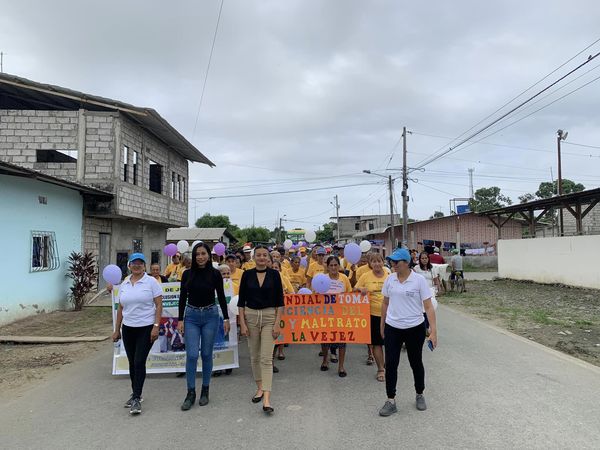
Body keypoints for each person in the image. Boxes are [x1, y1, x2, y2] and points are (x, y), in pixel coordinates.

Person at [378, 248, 437, 417]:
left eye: (396, 262)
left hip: (414, 328)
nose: (393, 264)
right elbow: (385, 303)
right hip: (393, 327)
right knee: (391, 364)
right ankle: (390, 400)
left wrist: (433, 331)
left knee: (415, 362)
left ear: (406, 263)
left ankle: (419, 393)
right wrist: (382, 325)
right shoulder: (390, 279)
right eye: (392, 261)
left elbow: (428, 307)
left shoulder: (418, 280)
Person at [177, 243, 230, 411]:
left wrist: (226, 318)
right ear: (193, 256)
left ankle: (205, 390)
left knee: (207, 354)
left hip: (210, 316)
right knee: (192, 355)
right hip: (191, 317)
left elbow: (221, 296)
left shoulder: (215, 274)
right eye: (197, 254)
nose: (200, 257)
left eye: (203, 253)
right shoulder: (187, 274)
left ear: (208, 255)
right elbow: (182, 298)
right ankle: (190, 392)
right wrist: (180, 319)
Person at [111, 253, 163, 415]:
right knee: (132, 362)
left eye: (140, 263)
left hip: (146, 327)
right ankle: (136, 393)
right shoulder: (125, 283)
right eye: (134, 263)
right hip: (128, 328)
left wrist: (156, 326)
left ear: (144, 266)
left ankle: (136, 397)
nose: (137, 266)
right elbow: (121, 308)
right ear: (129, 265)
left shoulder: (151, 282)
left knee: (139, 361)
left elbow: (159, 305)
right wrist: (117, 329)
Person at [238, 245, 284, 414]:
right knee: (254, 356)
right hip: (250, 317)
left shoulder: (275, 275)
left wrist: (277, 323)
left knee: (266, 358)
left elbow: (280, 301)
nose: (262, 258)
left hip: (269, 317)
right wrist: (242, 323)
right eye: (259, 255)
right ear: (253, 257)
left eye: (265, 255)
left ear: (269, 258)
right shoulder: (247, 275)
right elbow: (241, 302)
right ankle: (259, 387)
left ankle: (267, 399)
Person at [355, 253, 388, 382]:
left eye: (379, 261)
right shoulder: (365, 276)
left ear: (383, 262)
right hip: (373, 315)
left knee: (391, 343)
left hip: (391, 315)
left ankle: (389, 365)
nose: (377, 264)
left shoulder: (389, 274)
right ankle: (380, 369)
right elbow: (354, 289)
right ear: (370, 264)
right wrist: (360, 289)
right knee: (377, 343)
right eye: (373, 261)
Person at [320, 256, 352, 377]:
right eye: (331, 265)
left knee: (342, 340)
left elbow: (350, 294)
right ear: (327, 267)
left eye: (335, 265)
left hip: (341, 315)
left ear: (339, 266)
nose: (333, 267)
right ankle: (325, 360)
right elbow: (315, 296)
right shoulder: (322, 279)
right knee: (325, 340)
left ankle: (341, 366)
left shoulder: (344, 278)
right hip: (325, 314)